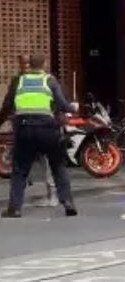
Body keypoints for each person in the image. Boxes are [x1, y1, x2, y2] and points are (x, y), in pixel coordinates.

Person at [0, 54, 78, 218]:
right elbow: (62, 104)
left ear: (29, 65)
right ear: (44, 63)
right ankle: (68, 202)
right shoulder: (49, 80)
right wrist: (73, 108)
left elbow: (7, 106)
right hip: (47, 129)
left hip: (23, 129)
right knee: (58, 166)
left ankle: (14, 209)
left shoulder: (18, 81)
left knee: (20, 170)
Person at [14, 55, 57, 207]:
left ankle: (52, 195)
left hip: (43, 126)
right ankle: (18, 201)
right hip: (28, 127)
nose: (25, 67)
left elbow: (59, 100)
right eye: (22, 64)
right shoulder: (19, 81)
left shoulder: (46, 80)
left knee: (46, 162)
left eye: (27, 64)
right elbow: (9, 103)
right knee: (23, 164)